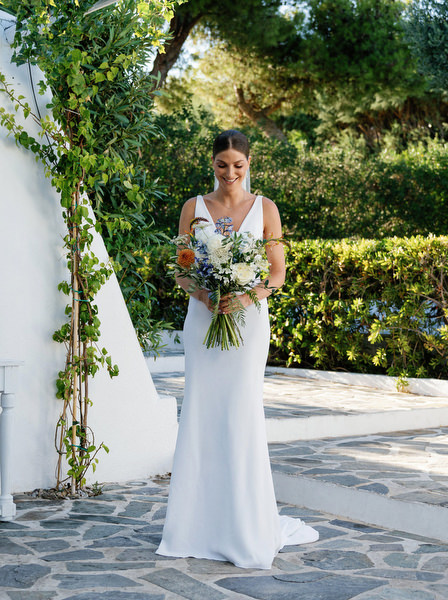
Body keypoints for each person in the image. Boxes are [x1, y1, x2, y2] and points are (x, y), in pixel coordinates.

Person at [156, 130, 319, 570]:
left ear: (249, 164)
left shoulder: (266, 209)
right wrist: (208, 296)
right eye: (222, 165)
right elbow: (182, 272)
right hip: (204, 320)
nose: (230, 174)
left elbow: (278, 274)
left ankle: (245, 527)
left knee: (241, 414)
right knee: (201, 414)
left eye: (238, 166)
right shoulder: (194, 208)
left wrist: (245, 297)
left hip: (247, 324)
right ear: (212, 164)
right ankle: (193, 527)